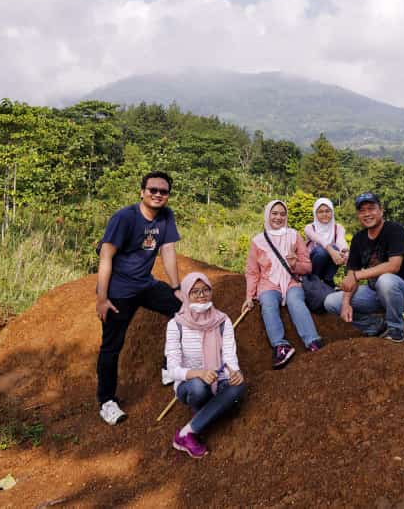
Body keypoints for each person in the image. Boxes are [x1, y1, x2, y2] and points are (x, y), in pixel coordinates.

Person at [95, 170, 182, 425]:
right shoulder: (124, 218)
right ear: (142, 192)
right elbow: (106, 256)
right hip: (118, 292)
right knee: (112, 346)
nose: (158, 194)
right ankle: (107, 402)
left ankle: (169, 366)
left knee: (183, 309)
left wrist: (176, 287)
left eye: (163, 191)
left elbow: (168, 251)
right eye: (153, 190)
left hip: (145, 284)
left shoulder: (166, 216)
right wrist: (102, 298)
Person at [165, 272, 246, 458]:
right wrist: (199, 373)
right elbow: (172, 369)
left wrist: (235, 372)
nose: (201, 295)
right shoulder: (175, 325)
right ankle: (214, 409)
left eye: (205, 290)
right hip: (191, 385)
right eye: (195, 292)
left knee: (239, 385)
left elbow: (229, 356)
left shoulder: (222, 321)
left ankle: (186, 432)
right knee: (198, 386)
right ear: (186, 294)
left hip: (219, 379)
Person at [323, 192, 404, 343]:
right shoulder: (358, 239)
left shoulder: (394, 230)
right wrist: (346, 303)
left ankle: (396, 331)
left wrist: (357, 276)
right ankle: (377, 327)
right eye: (362, 210)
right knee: (331, 302)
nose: (367, 214)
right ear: (358, 215)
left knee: (386, 280)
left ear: (381, 211)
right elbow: (351, 274)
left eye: (371, 208)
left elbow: (394, 266)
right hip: (374, 293)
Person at [244, 199, 324, 368]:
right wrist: (249, 296)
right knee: (268, 303)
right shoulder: (258, 241)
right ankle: (281, 346)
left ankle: (313, 340)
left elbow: (307, 267)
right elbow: (252, 271)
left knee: (296, 301)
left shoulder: (294, 236)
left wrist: (294, 264)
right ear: (267, 215)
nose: (278, 217)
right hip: (268, 283)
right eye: (274, 213)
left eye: (282, 214)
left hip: (291, 281)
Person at [303, 197, 348, 287]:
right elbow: (320, 240)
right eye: (320, 212)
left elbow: (340, 241)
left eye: (327, 211)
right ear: (315, 213)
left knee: (337, 249)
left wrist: (345, 253)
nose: (324, 214)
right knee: (322, 251)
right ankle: (315, 279)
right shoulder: (310, 228)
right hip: (313, 265)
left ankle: (328, 280)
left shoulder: (338, 228)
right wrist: (331, 250)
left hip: (329, 265)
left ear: (332, 212)